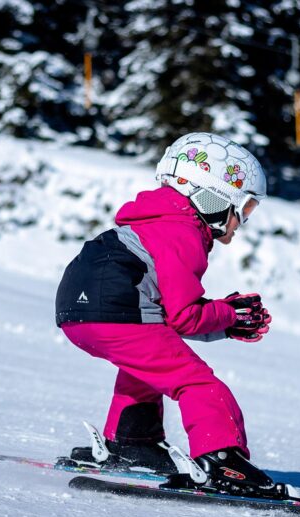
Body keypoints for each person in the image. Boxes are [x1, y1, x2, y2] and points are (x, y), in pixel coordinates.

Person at [55, 132, 278, 496]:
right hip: (116, 309)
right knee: (197, 383)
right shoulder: (183, 231)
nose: (241, 222)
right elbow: (184, 316)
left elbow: (168, 316)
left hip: (76, 313)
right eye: (246, 209)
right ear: (214, 196)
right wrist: (229, 316)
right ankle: (222, 462)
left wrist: (224, 318)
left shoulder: (151, 223)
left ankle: (134, 442)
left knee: (147, 364)